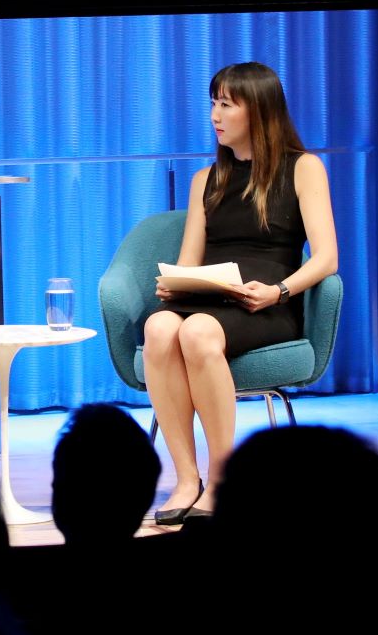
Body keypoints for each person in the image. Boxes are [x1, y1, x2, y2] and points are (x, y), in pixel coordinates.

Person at [143, 62, 338, 522]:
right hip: (211, 295)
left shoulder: (303, 168)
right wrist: (173, 282)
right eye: (213, 102)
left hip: (267, 300)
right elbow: (189, 260)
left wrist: (279, 291)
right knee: (158, 327)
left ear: (259, 111)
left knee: (197, 335)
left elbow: (326, 257)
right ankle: (186, 477)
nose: (215, 113)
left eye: (226, 104)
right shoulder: (205, 180)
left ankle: (223, 480)